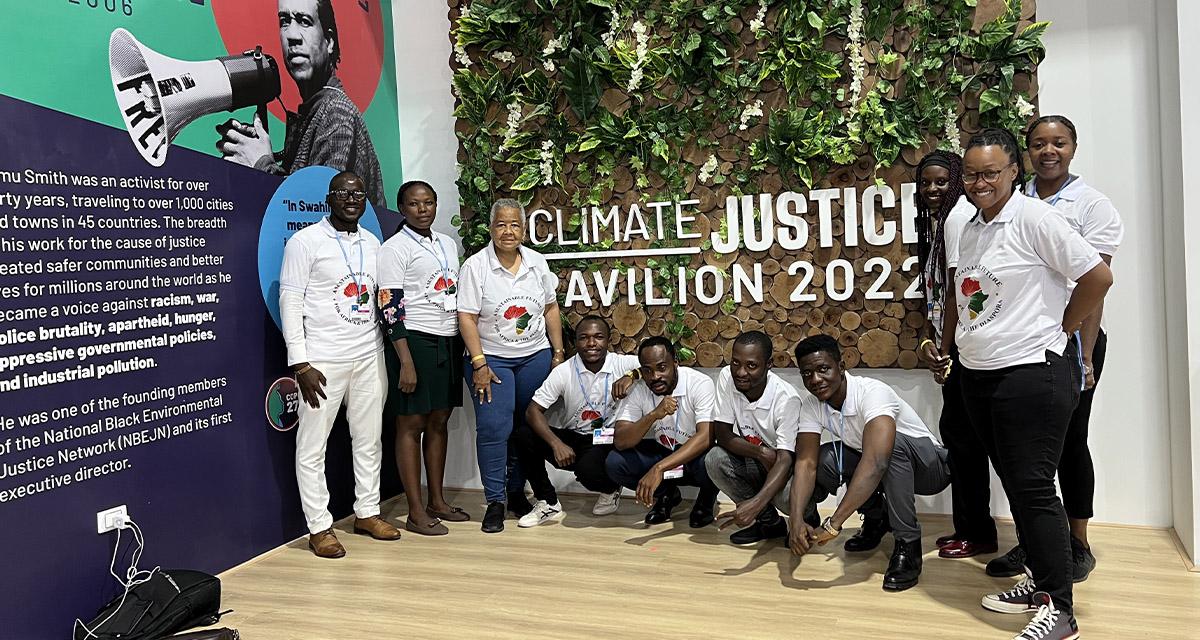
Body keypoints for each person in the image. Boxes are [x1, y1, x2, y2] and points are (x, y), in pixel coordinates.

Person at [955, 128, 1112, 639]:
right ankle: (1041, 578)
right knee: (1017, 483)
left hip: (1031, 373)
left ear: (1012, 172)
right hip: (981, 373)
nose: (980, 183)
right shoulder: (972, 225)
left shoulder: (1035, 217)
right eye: (972, 174)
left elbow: (1096, 277)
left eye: (990, 173)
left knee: (1034, 487)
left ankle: (1060, 610)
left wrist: (1063, 329)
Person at [980, 115, 1125, 582]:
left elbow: (1095, 283)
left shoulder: (1090, 206)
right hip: (1027, 345)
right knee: (1028, 457)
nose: (1048, 152)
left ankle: (1077, 543)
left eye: (1058, 143)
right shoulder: (1013, 202)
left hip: (1070, 341)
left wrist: (1079, 347)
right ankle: (1037, 543)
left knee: (1070, 444)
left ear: (1074, 147)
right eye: (1039, 144)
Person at [279, 171, 400, 558]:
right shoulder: (305, 242)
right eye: (343, 193)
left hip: (369, 355)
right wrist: (300, 363)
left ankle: (367, 512)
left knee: (368, 440)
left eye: (358, 194)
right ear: (329, 198)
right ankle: (319, 527)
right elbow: (290, 301)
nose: (352, 199)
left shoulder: (372, 242)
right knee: (312, 447)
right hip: (321, 362)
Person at [785, 335, 951, 593]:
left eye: (823, 369)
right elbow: (806, 464)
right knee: (826, 458)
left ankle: (908, 545)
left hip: (931, 468)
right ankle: (877, 519)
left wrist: (834, 523)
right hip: (886, 468)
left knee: (887, 448)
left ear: (841, 367)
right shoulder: (812, 404)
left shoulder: (873, 393)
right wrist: (795, 520)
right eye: (807, 374)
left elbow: (876, 462)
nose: (815, 380)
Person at [458, 198, 565, 533]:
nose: (508, 231)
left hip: (534, 357)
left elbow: (550, 308)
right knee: (493, 428)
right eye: (501, 224)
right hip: (491, 361)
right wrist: (479, 363)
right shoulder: (476, 267)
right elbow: (466, 317)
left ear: (524, 228)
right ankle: (495, 501)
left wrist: (558, 353)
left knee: (525, 428)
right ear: (491, 229)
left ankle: (517, 493)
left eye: (514, 224)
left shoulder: (537, 262)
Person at [913, 150, 999, 560]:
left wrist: (945, 349)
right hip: (960, 349)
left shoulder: (957, 218)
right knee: (964, 443)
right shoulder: (944, 223)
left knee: (968, 445)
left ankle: (977, 532)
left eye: (942, 182)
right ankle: (973, 529)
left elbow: (955, 294)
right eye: (925, 183)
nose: (932, 190)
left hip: (968, 352)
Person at [217, 0, 387, 208]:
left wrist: (261, 162)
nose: (292, 36)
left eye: (304, 21)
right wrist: (257, 152)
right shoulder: (317, 111)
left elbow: (316, 211)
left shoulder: (336, 113)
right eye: (284, 21)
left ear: (329, 41)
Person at [376, 181, 468, 536]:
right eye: (414, 204)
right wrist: (406, 360)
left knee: (439, 421)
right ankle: (415, 511)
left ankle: (438, 501)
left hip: (447, 342)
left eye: (429, 202)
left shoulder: (446, 243)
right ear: (402, 208)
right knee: (410, 425)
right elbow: (389, 304)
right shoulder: (394, 248)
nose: (423, 209)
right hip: (413, 343)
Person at [512, 316, 641, 526]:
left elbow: (656, 364)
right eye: (584, 338)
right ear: (576, 342)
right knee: (522, 434)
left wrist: (632, 375)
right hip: (575, 438)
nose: (591, 343)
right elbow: (532, 411)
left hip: (608, 440)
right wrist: (556, 443)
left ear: (608, 340)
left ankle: (610, 489)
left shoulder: (621, 363)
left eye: (598, 337)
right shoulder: (564, 371)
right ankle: (548, 501)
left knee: (587, 470)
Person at [606, 337, 720, 528]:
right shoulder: (639, 389)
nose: (655, 376)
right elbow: (621, 440)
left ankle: (706, 500)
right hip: (664, 449)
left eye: (662, 367)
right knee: (615, 463)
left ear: (675, 363)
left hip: (692, 456)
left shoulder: (699, 383)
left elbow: (706, 436)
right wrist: (653, 415)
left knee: (714, 459)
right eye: (647, 370)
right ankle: (666, 495)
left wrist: (658, 468)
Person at [708, 331, 804, 545]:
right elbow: (722, 434)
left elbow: (785, 459)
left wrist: (756, 503)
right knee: (714, 459)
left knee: (785, 498)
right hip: (758, 457)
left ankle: (807, 518)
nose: (740, 372)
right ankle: (770, 524)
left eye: (751, 365)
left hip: (785, 467)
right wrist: (760, 452)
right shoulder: (726, 377)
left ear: (769, 364)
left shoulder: (787, 399)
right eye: (735, 363)